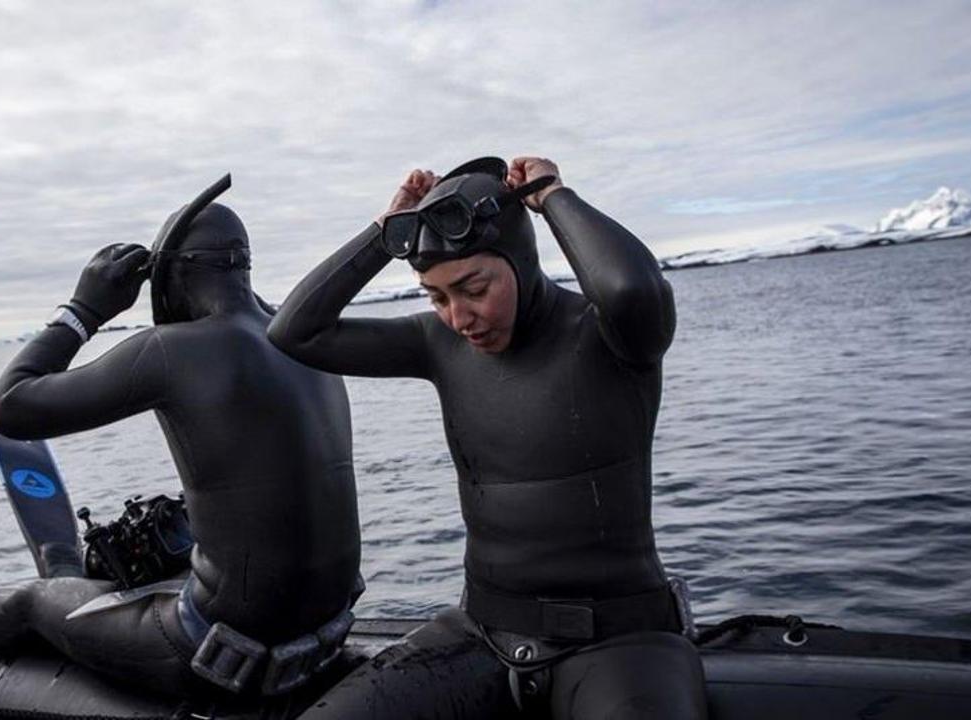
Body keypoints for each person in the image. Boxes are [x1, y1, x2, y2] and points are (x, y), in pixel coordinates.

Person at [0, 177, 363, 699]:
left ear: (172, 274)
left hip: (214, 655)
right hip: (325, 632)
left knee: (32, 601)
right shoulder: (302, 338)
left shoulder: (173, 349)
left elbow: (9, 406)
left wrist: (84, 310)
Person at [268, 156, 706, 718]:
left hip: (619, 640)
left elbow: (632, 289)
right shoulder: (437, 343)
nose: (459, 317)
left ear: (521, 263)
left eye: (474, 288)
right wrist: (384, 231)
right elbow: (294, 332)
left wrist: (551, 195)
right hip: (480, 631)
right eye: (436, 296)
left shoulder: (611, 334)